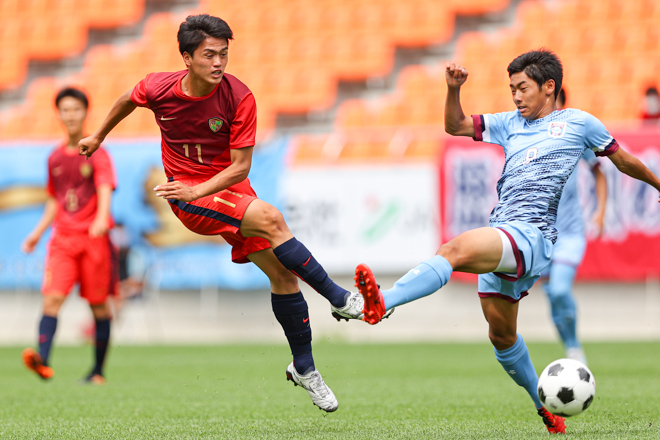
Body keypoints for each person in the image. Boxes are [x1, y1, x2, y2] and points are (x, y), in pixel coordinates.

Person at [354, 49, 660, 434]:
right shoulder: (509, 123)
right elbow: (455, 126)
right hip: (505, 230)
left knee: (453, 250)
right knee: (502, 336)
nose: (515, 97)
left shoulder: (579, 124)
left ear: (549, 87)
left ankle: (383, 303)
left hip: (532, 236)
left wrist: (658, 184)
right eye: (511, 88)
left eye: (522, 88)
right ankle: (544, 408)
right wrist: (453, 90)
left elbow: (622, 159)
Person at [78, 14, 364, 412]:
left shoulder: (238, 96)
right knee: (273, 220)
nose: (218, 63)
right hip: (189, 197)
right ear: (186, 57)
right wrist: (98, 135)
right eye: (209, 54)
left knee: (282, 275)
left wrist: (200, 188)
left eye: (224, 54)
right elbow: (129, 98)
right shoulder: (159, 87)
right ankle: (337, 296)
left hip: (225, 189)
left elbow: (240, 168)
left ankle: (304, 368)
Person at [21, 87, 117, 385]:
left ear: (85, 112)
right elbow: (55, 198)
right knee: (51, 300)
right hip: (62, 237)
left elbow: (104, 185)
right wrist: (37, 233)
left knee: (98, 305)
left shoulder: (97, 150)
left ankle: (97, 372)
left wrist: (102, 217)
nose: (71, 115)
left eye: (76, 109)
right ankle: (44, 361)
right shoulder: (54, 157)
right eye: (65, 109)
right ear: (59, 114)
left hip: (93, 237)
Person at [540, 88, 607, 365]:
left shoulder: (574, 136)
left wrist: (600, 212)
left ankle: (575, 346)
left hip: (569, 232)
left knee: (559, 290)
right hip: (540, 237)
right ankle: (570, 346)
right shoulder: (531, 137)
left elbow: (599, 174)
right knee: (552, 298)